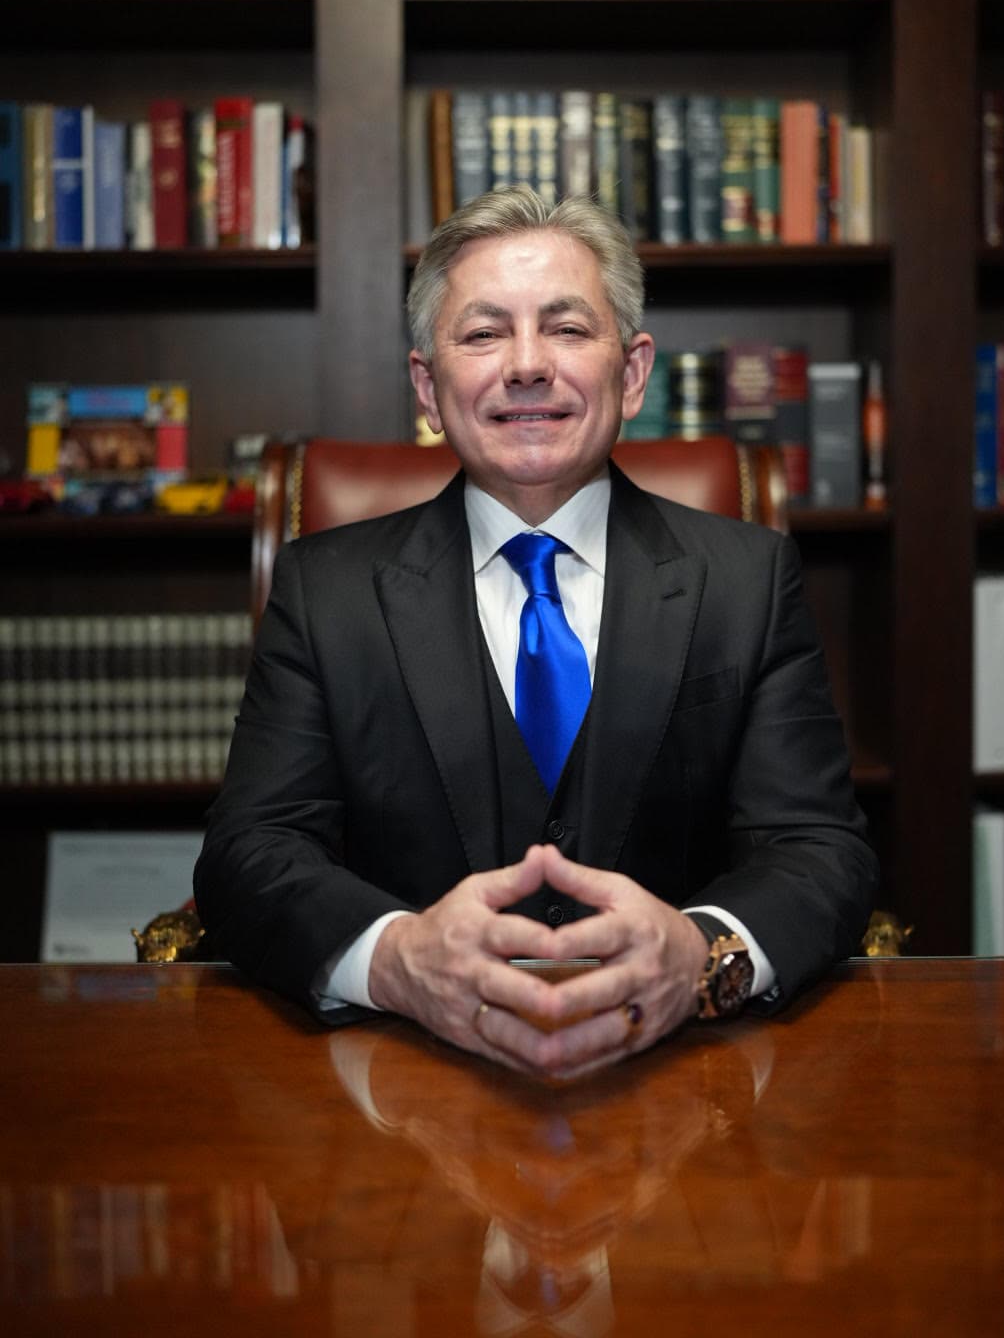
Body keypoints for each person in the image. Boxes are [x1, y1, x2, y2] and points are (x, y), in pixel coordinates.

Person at [194, 185, 877, 1080]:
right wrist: (397, 962)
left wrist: (703, 956)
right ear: (426, 385)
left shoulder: (746, 581)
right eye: (482, 334)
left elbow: (818, 848)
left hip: (679, 1089)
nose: (526, 366)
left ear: (631, 373)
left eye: (565, 328)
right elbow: (251, 854)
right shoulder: (328, 590)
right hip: (405, 1094)